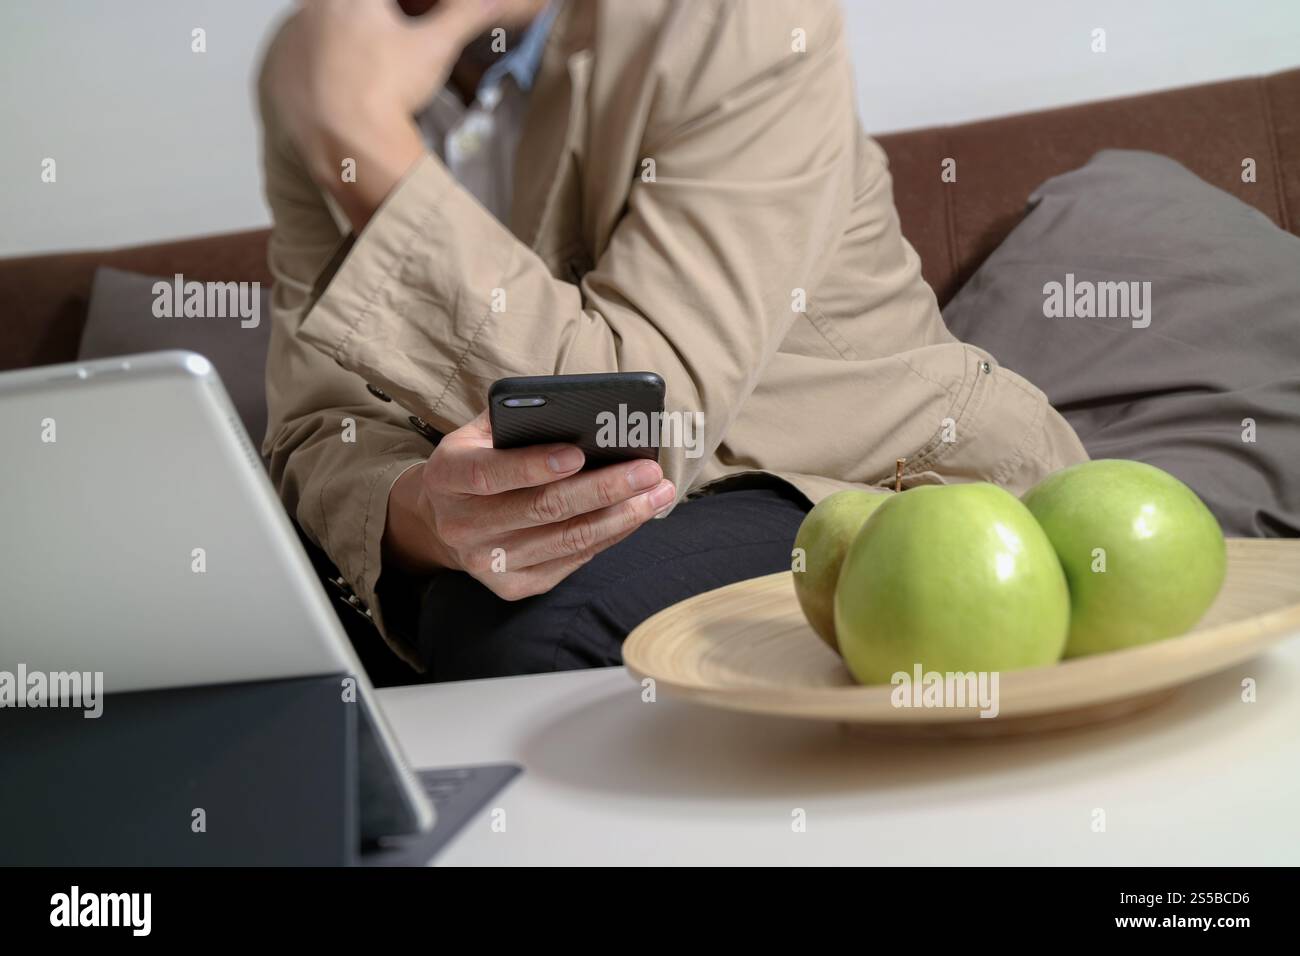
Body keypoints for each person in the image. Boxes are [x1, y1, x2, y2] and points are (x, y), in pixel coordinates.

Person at [257, 0, 1087, 680]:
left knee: (524, 632)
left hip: (853, 476)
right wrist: (422, 519)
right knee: (241, 625)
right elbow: (316, 425)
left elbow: (639, 417)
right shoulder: (317, 58)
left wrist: (361, 139)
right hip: (535, 508)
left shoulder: (735, 18)